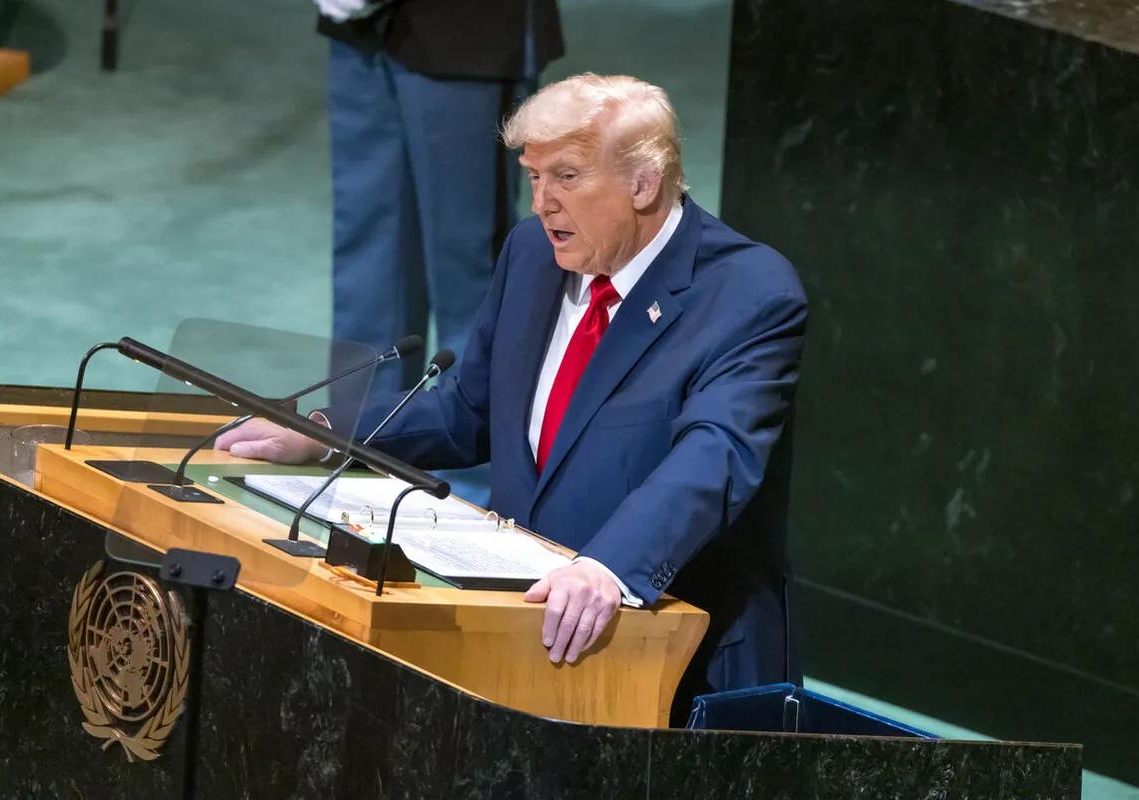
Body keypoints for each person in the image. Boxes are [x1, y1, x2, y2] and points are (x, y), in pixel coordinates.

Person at [218, 73, 809, 724]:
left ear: (643, 183)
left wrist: (606, 568)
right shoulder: (534, 252)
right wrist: (325, 432)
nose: (542, 205)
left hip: (671, 657)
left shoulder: (748, 293)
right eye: (533, 178)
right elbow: (470, 410)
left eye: (567, 177)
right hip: (522, 633)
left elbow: (711, 458)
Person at [318, 0, 565, 393]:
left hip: (466, 31)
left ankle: (477, 444)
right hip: (361, 31)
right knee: (369, 246)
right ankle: (361, 434)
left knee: (469, 262)